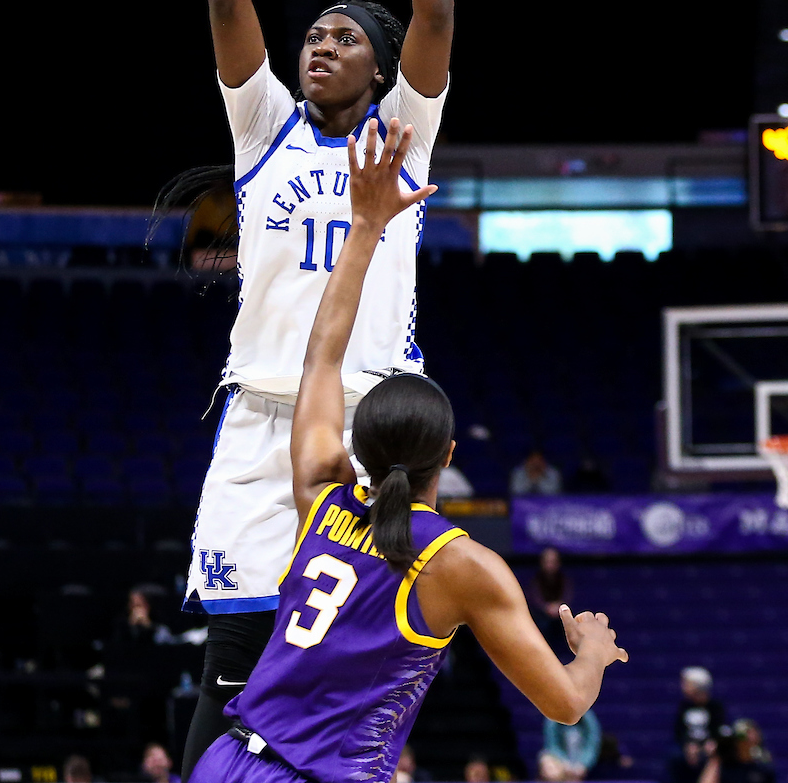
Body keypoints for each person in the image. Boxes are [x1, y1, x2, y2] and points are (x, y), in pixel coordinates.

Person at [188, 119, 628, 783]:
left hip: (227, 759)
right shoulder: (460, 564)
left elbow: (321, 357)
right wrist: (591, 652)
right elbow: (565, 704)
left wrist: (364, 228)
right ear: (447, 456)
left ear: (355, 444)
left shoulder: (321, 494)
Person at [173, 0, 455, 779]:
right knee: (235, 667)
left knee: (351, 674)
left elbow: (434, 15)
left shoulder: (402, 139)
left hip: (370, 421)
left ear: (379, 71)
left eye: (340, 37)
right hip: (259, 420)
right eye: (312, 34)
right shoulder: (262, 131)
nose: (317, 44)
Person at [527, 548, 574, 651]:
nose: (550, 565)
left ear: (558, 563)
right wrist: (546, 607)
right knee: (542, 625)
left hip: (560, 613)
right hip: (541, 615)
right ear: (542, 563)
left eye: (553, 562)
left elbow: (567, 595)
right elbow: (535, 598)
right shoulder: (536, 580)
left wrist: (559, 606)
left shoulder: (564, 579)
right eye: (547, 562)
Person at [697, 722, 775, 783]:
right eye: (741, 741)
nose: (745, 744)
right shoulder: (725, 766)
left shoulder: (762, 765)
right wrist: (716, 757)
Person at [538, 710, 602, 781]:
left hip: (579, 761)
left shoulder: (588, 718)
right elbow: (552, 745)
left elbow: (591, 745)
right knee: (549, 765)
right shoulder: (552, 717)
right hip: (560, 760)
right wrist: (563, 762)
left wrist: (583, 763)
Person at [674, 667, 725, 748]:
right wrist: (687, 745)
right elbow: (678, 732)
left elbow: (718, 730)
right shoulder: (684, 706)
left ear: (698, 686)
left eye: (687, 684)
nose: (683, 687)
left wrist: (711, 744)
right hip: (687, 747)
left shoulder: (715, 707)